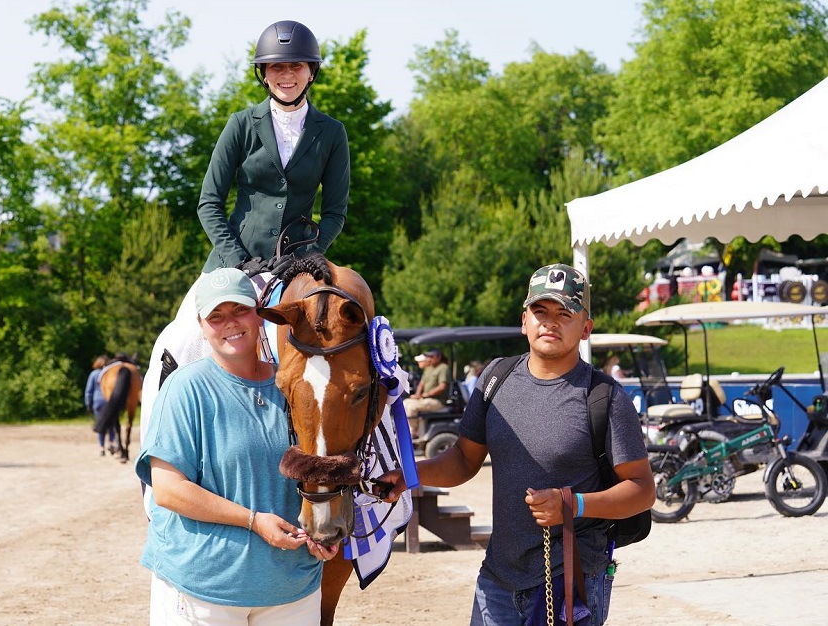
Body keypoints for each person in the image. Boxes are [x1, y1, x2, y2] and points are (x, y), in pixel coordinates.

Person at [376, 263, 654, 626]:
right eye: (540, 311)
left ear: (586, 328)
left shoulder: (605, 397)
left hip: (572, 581)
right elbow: (463, 460)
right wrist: (409, 476)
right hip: (498, 581)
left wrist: (573, 504)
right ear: (525, 321)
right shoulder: (495, 379)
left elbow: (643, 490)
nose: (550, 323)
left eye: (564, 314)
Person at [136, 268, 337, 625]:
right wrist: (253, 521)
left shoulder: (292, 386)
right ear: (201, 326)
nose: (229, 322)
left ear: (259, 315)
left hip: (292, 589)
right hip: (204, 589)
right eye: (216, 316)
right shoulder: (185, 389)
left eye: (240, 309)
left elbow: (314, 470)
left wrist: (322, 532)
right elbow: (168, 490)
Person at [197, 19, 350, 274]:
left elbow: (335, 213)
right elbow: (209, 203)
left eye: (296, 66)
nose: (287, 75)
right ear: (264, 75)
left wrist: (304, 257)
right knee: (191, 303)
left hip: (295, 267)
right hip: (234, 262)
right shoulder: (240, 124)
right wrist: (238, 259)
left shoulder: (332, 132)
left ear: (311, 72)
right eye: (277, 66)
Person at [404, 348, 450, 437]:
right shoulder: (429, 368)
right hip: (425, 399)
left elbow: (442, 387)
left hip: (437, 401)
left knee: (411, 407)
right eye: (428, 357)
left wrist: (425, 395)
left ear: (439, 357)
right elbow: (421, 384)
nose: (429, 359)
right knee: (405, 402)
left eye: (431, 357)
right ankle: (411, 428)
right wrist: (417, 395)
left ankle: (413, 431)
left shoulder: (443, 368)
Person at [84, 355, 115, 456]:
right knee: (111, 424)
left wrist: (88, 404)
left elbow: (89, 391)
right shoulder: (110, 373)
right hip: (109, 401)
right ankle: (111, 443)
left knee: (100, 424)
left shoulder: (93, 374)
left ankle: (101, 448)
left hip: (98, 402)